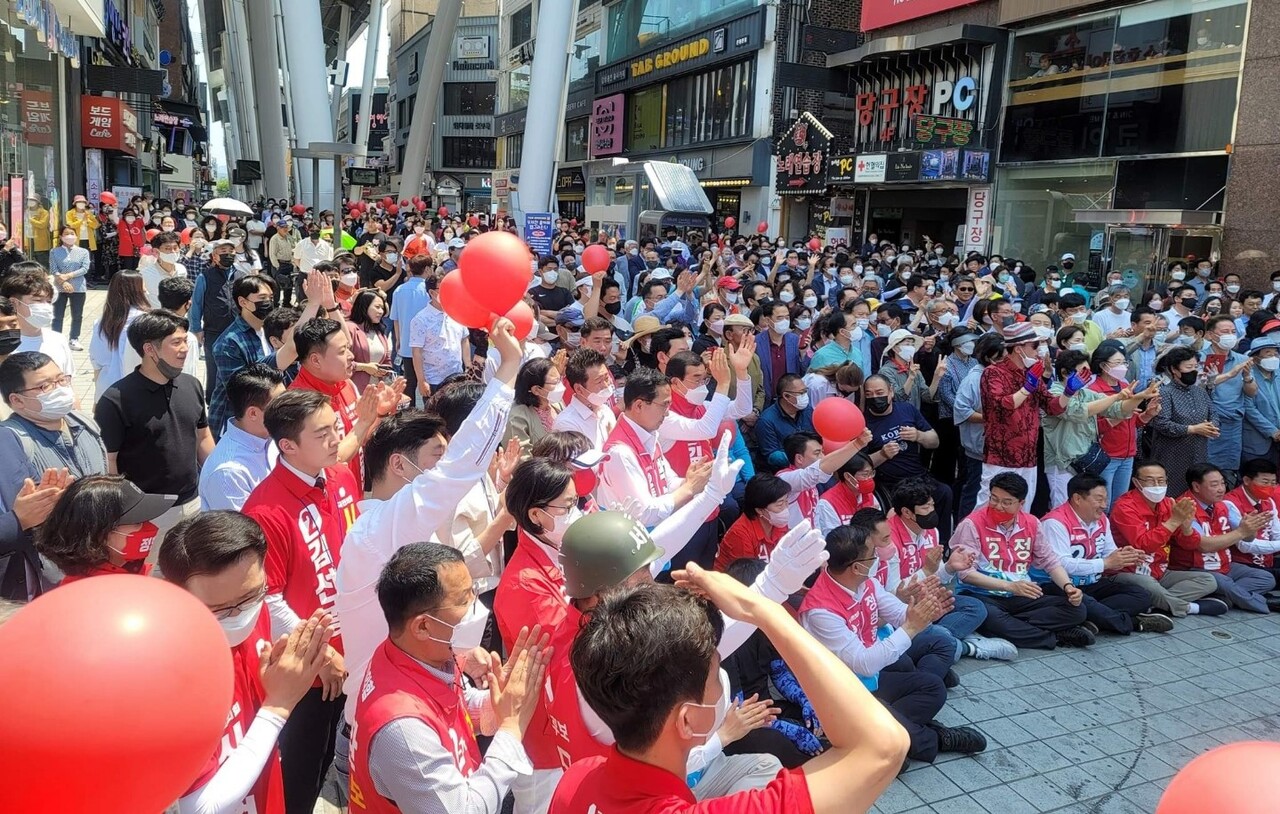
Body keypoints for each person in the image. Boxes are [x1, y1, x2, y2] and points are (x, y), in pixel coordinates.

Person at [549, 566, 909, 814]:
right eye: (714, 673)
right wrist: (764, 611)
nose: (721, 679)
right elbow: (883, 747)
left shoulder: (577, 779)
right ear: (688, 720)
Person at [336, 319, 520, 732]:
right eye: (437, 456)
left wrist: (463, 658)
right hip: (386, 726)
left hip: (425, 706)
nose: (443, 469)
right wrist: (508, 367)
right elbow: (461, 466)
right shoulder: (377, 531)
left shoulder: (404, 529)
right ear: (399, 465)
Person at [348, 543, 551, 814]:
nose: (476, 606)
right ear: (422, 626)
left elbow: (456, 707)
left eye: (474, 591)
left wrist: (497, 705)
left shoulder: (417, 656)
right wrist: (511, 729)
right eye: (463, 600)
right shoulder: (403, 731)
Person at [163, 511, 335, 814]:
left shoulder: (258, 614)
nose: (240, 616)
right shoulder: (170, 677)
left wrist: (275, 687)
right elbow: (198, 807)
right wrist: (279, 705)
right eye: (220, 609)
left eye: (252, 595)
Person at [242, 388, 362, 813]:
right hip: (308, 670)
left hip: (352, 652)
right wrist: (320, 652)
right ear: (288, 446)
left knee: (334, 756)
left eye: (336, 427)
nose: (336, 438)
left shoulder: (340, 478)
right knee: (300, 773)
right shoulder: (265, 510)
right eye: (322, 433)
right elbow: (267, 598)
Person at [800, 522, 987, 764]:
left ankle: (881, 733)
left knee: (932, 687)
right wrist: (912, 626)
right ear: (856, 567)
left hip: (868, 678)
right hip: (841, 690)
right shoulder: (821, 611)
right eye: (872, 555)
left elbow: (899, 613)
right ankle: (935, 738)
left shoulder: (863, 581)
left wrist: (925, 610)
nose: (877, 558)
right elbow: (864, 664)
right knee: (896, 691)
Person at [94, 310, 213, 554]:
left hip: (194, 503)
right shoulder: (116, 400)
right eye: (176, 342)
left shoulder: (191, 384)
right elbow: (109, 461)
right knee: (151, 574)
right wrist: (119, 514)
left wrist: (214, 478)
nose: (185, 349)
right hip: (146, 515)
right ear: (149, 349)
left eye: (185, 341)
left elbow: (203, 437)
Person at [952, 473, 1093, 648]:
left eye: (1007, 502)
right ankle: (1056, 636)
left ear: (1021, 503)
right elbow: (966, 574)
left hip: (1021, 594)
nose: (998, 506)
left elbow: (1050, 561)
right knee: (988, 616)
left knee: (1077, 610)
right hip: (982, 594)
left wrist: (1068, 587)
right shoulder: (971, 524)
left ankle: (1015, 628)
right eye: (994, 499)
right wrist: (1009, 586)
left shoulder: (1031, 523)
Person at [1039, 473, 1174, 635]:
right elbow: (1061, 564)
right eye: (1099, 499)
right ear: (1077, 499)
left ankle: (1091, 618)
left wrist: (1125, 556)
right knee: (1083, 603)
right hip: (1060, 586)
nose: (1104, 505)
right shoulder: (1054, 523)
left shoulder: (1102, 519)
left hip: (1092, 583)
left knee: (1141, 595)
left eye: (1105, 499)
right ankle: (1134, 623)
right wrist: (1106, 563)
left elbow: (1109, 551)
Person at [1109, 460, 1227, 617]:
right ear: (1136, 482)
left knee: (1208, 580)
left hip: (1160, 571)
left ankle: (1155, 604)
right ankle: (1190, 608)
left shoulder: (1168, 503)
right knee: (1148, 584)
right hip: (1128, 571)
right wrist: (1173, 522)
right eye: (1150, 480)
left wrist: (1186, 528)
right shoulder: (1124, 507)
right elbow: (1143, 545)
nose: (1157, 485)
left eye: (1161, 480)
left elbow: (1189, 544)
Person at [1041, 349, 1155, 507]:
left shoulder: (1085, 394)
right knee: (1064, 507)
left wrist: (1140, 397)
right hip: (1062, 464)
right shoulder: (1054, 393)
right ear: (1065, 373)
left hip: (1084, 461)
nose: (1087, 376)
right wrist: (1117, 397)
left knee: (1085, 507)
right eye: (1083, 372)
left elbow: (1117, 409)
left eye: (1088, 372)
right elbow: (1078, 412)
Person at [1171, 463, 1275, 613]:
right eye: (1214, 485)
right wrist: (1241, 532)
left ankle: (1223, 598)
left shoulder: (1222, 505)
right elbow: (1203, 545)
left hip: (1223, 564)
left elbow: (1247, 538)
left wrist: (1250, 528)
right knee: (1222, 582)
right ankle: (1262, 603)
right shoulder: (1184, 507)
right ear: (1196, 486)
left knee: (1265, 578)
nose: (1221, 489)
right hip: (1195, 568)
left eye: (1223, 483)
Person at [35, 475, 174, 582]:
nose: (149, 527)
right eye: (138, 522)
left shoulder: (130, 567)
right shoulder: (88, 594)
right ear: (100, 535)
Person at [860, 374, 951, 534]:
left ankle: (942, 542)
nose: (875, 398)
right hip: (890, 483)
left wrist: (918, 435)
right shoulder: (863, 422)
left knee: (944, 492)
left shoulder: (907, 409)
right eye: (869, 394)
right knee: (912, 503)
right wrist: (882, 454)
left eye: (879, 393)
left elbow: (934, 441)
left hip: (918, 476)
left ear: (891, 392)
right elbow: (860, 465)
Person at [199, 364, 287, 511]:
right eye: (280, 406)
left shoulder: (273, 439)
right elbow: (246, 525)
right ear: (253, 413)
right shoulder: (227, 474)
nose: (289, 411)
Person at [1147, 347, 1217, 496]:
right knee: (1172, 494)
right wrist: (1192, 429)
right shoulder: (1165, 393)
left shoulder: (1200, 391)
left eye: (1196, 366)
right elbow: (1162, 424)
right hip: (1172, 456)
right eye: (1188, 367)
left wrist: (1212, 427)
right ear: (1174, 369)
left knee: (1197, 493)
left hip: (1199, 453)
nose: (1193, 371)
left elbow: (1213, 414)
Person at [2, 271, 75, 393]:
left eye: (48, 301)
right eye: (37, 300)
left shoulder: (58, 339)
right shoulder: (6, 345)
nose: (45, 307)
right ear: (14, 303)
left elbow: (69, 385)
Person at [87, 271, 149, 404]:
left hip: (107, 388)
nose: (146, 291)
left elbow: (97, 361)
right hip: (140, 390)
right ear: (137, 292)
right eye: (143, 289)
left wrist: (96, 399)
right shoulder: (146, 321)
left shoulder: (101, 323)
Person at [189, 238, 244, 387]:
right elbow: (197, 304)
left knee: (237, 370)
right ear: (214, 256)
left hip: (237, 329)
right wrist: (196, 329)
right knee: (213, 371)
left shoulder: (241, 277)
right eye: (223, 251)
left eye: (231, 251)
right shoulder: (204, 277)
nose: (228, 255)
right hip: (214, 330)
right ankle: (212, 398)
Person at [409, 271, 470, 398]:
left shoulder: (457, 312)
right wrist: (421, 381)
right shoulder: (420, 319)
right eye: (444, 289)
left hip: (457, 377)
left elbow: (464, 339)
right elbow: (416, 352)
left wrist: (468, 366)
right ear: (432, 292)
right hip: (434, 380)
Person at [552, 348, 616, 451]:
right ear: (579, 389)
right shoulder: (567, 423)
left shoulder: (606, 411)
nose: (606, 385)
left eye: (606, 378)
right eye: (599, 381)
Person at [390, 256, 433, 406]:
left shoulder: (399, 290)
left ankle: (410, 413)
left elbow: (395, 319)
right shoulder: (429, 291)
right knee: (427, 384)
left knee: (409, 384)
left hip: (407, 344)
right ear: (427, 269)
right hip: (427, 346)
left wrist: (398, 339)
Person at [755, 374, 815, 469]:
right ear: (786, 396)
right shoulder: (766, 420)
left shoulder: (808, 410)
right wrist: (804, 458)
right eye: (801, 393)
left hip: (813, 465)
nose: (805, 396)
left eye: (805, 391)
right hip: (785, 470)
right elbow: (772, 455)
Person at [814, 454, 881, 535]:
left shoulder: (869, 495)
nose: (869, 478)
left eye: (872, 473)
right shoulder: (827, 503)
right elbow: (834, 539)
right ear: (848, 477)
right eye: (865, 475)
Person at [507, 357, 563, 451]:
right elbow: (523, 456)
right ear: (536, 390)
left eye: (559, 379)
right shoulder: (517, 418)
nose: (560, 386)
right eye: (555, 382)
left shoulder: (556, 404)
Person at [48, 226, 89, 351]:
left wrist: (69, 275)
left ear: (76, 236)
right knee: (57, 315)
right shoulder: (54, 251)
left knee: (77, 315)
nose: (69, 236)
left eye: (72, 233)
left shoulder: (83, 252)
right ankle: (56, 339)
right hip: (59, 287)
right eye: (66, 234)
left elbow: (84, 268)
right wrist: (63, 282)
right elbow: (53, 269)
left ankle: (74, 339)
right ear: (61, 237)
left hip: (78, 287)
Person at [347, 289, 395, 393]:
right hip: (354, 390)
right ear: (364, 307)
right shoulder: (350, 328)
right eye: (377, 307)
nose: (381, 311)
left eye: (382, 308)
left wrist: (385, 370)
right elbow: (342, 362)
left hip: (377, 390)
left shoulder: (379, 332)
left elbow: (386, 360)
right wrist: (364, 367)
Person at [140, 230, 188, 309]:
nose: (173, 252)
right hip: (157, 314)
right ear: (156, 251)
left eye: (175, 248)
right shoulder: (146, 274)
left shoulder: (181, 270)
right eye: (167, 248)